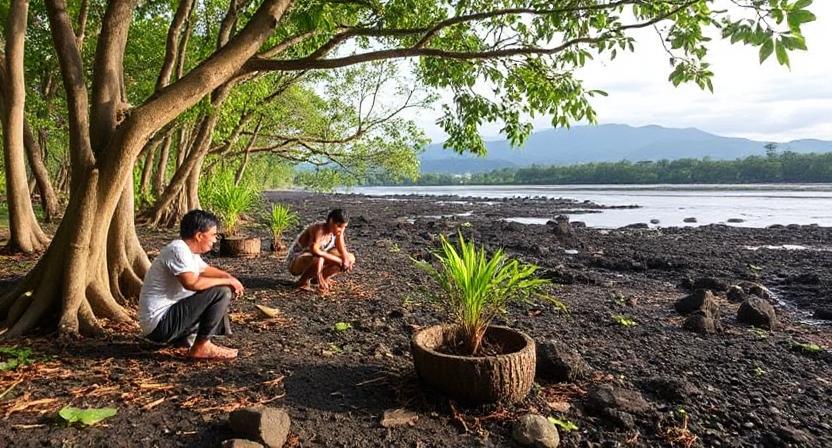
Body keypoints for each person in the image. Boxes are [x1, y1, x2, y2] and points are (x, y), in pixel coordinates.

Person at [139, 210, 244, 360]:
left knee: (219, 287)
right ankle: (201, 347)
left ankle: (188, 340)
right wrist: (227, 282)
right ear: (199, 236)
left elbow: (205, 270)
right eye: (213, 235)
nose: (215, 240)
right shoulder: (178, 250)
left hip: (168, 321)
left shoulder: (190, 252)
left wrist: (230, 277)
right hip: (160, 325)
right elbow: (191, 283)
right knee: (221, 291)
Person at [286, 208, 356, 292]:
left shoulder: (338, 232)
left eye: (344, 227)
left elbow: (341, 247)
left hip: (318, 258)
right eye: (339, 226)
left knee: (350, 258)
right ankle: (303, 281)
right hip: (297, 261)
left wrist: (346, 260)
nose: (341, 230)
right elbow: (315, 251)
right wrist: (336, 261)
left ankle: (319, 279)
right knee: (316, 257)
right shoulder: (319, 229)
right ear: (331, 221)